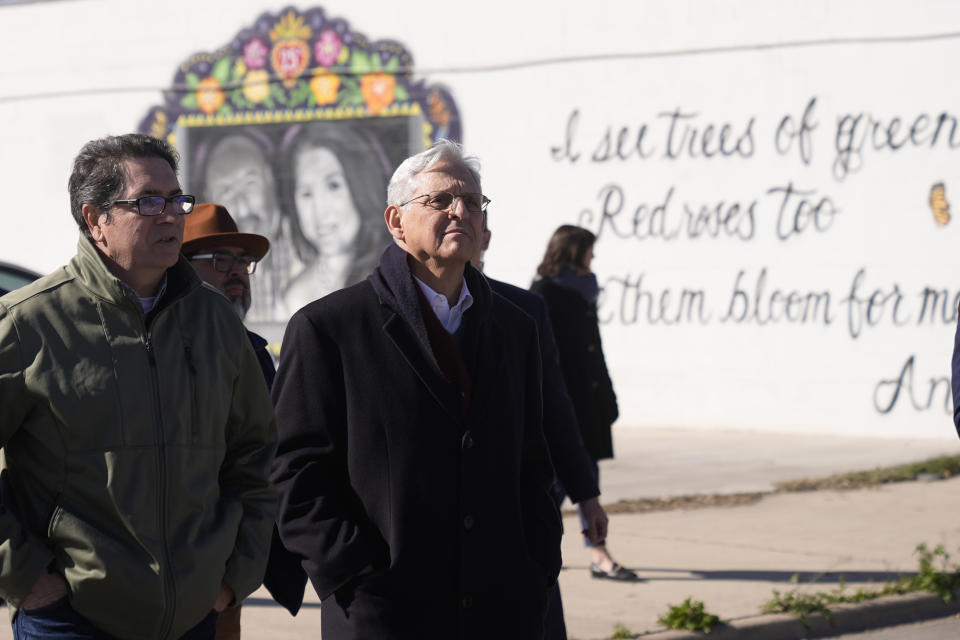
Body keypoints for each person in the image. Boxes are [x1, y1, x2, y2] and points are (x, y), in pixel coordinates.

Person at [271, 139, 561, 639]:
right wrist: (353, 576)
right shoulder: (329, 329)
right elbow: (294, 475)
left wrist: (537, 567)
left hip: (501, 610)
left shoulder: (515, 328)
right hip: (385, 612)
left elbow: (532, 464)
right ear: (396, 221)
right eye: (440, 200)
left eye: (472, 202)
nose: (460, 211)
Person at [0, 134, 277, 639]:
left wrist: (233, 578)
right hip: (70, 621)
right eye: (149, 202)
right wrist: (26, 577)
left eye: (177, 200)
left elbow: (255, 454)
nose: (172, 216)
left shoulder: (216, 322)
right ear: (95, 218)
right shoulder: (26, 323)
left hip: (194, 617)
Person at [471, 220, 610, 639]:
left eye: (474, 211)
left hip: (521, 529)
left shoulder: (525, 308)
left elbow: (556, 401)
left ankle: (596, 552)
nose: (458, 218)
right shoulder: (349, 319)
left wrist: (588, 497)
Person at [530, 225, 637, 582]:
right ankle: (532, 546)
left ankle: (598, 553)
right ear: (572, 250)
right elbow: (543, 359)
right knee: (559, 484)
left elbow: (594, 350)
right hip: (564, 405)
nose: (594, 256)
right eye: (589, 249)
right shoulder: (544, 294)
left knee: (586, 480)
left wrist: (607, 397)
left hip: (589, 404)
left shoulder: (585, 290)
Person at [278, 123, 392, 312]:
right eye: (306, 194)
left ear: (361, 185)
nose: (320, 211)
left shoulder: (398, 276)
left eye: (333, 186)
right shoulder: (295, 298)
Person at [201, 133, 288, 322]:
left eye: (250, 183)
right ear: (209, 198)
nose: (241, 206)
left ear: (270, 180)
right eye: (226, 191)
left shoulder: (307, 248)